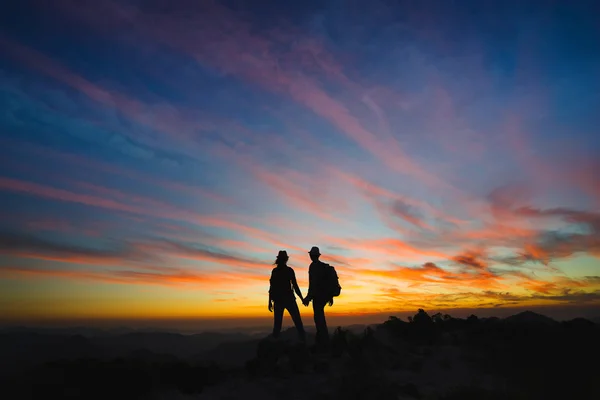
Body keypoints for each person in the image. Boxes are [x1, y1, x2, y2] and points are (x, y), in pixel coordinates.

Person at [268, 250, 306, 342]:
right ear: (286, 260)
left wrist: (269, 302)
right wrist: (302, 298)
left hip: (278, 301)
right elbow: (295, 286)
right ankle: (303, 343)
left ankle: (274, 347)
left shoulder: (275, 271)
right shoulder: (289, 271)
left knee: (277, 325)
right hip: (289, 299)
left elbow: (271, 288)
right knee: (298, 322)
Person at [302, 246, 333, 352]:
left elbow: (313, 284)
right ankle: (323, 342)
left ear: (311, 255)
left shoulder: (313, 267)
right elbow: (325, 283)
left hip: (317, 297)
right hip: (324, 296)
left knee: (319, 319)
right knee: (320, 319)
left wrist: (308, 297)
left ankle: (323, 344)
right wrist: (330, 296)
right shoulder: (323, 267)